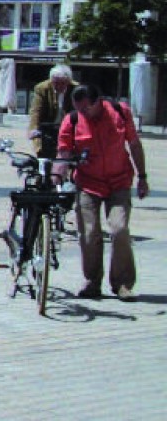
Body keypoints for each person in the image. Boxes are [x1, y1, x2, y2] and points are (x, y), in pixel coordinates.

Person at [57, 86, 148, 301]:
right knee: (89, 234)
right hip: (88, 183)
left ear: (98, 102)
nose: (83, 113)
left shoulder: (120, 112)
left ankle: (122, 284)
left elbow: (134, 144)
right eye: (79, 109)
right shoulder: (72, 120)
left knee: (119, 229)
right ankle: (92, 282)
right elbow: (64, 152)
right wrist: (56, 179)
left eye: (86, 108)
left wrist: (142, 177)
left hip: (119, 181)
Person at [28, 64, 77, 159]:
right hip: (47, 128)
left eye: (62, 83)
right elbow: (36, 111)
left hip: (67, 128)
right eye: (55, 83)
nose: (58, 86)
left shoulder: (76, 88)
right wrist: (33, 129)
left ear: (68, 81)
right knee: (44, 158)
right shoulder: (42, 88)